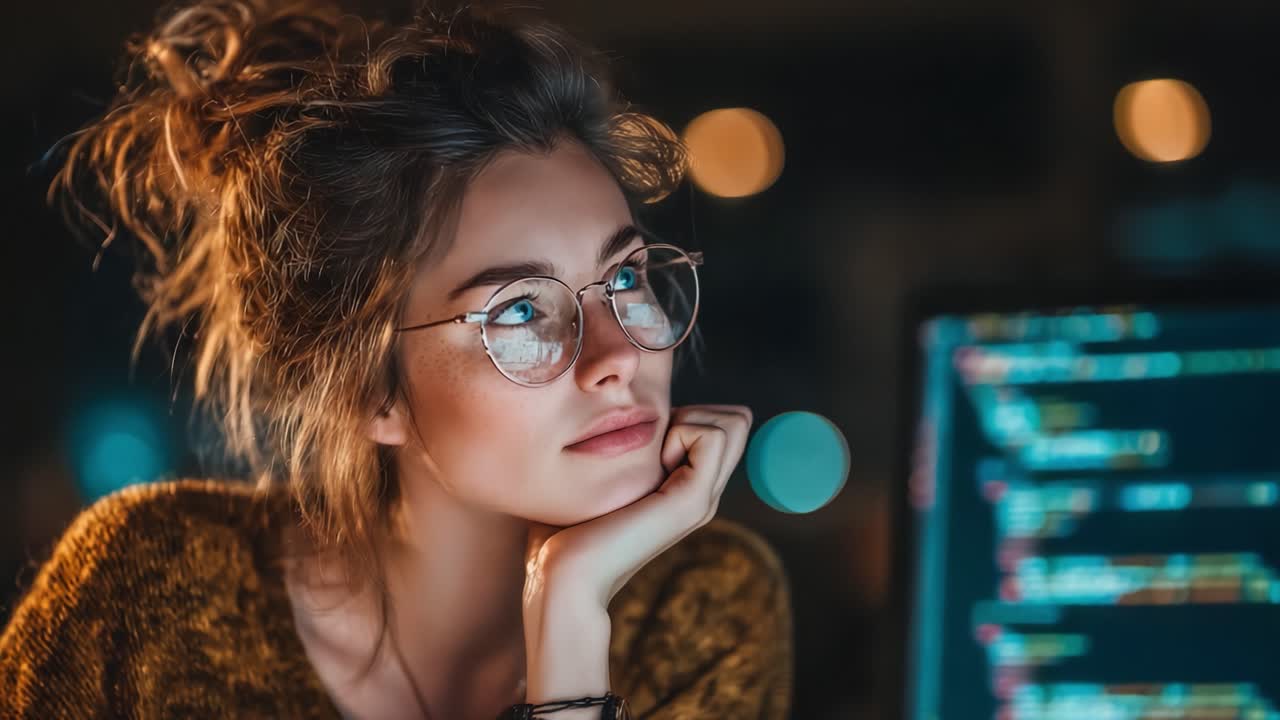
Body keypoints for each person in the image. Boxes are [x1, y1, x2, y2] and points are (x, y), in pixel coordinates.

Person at [0, 1, 793, 718]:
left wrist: (570, 615)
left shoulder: (704, 606)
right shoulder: (147, 595)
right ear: (366, 393)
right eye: (520, 310)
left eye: (623, 278)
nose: (619, 355)